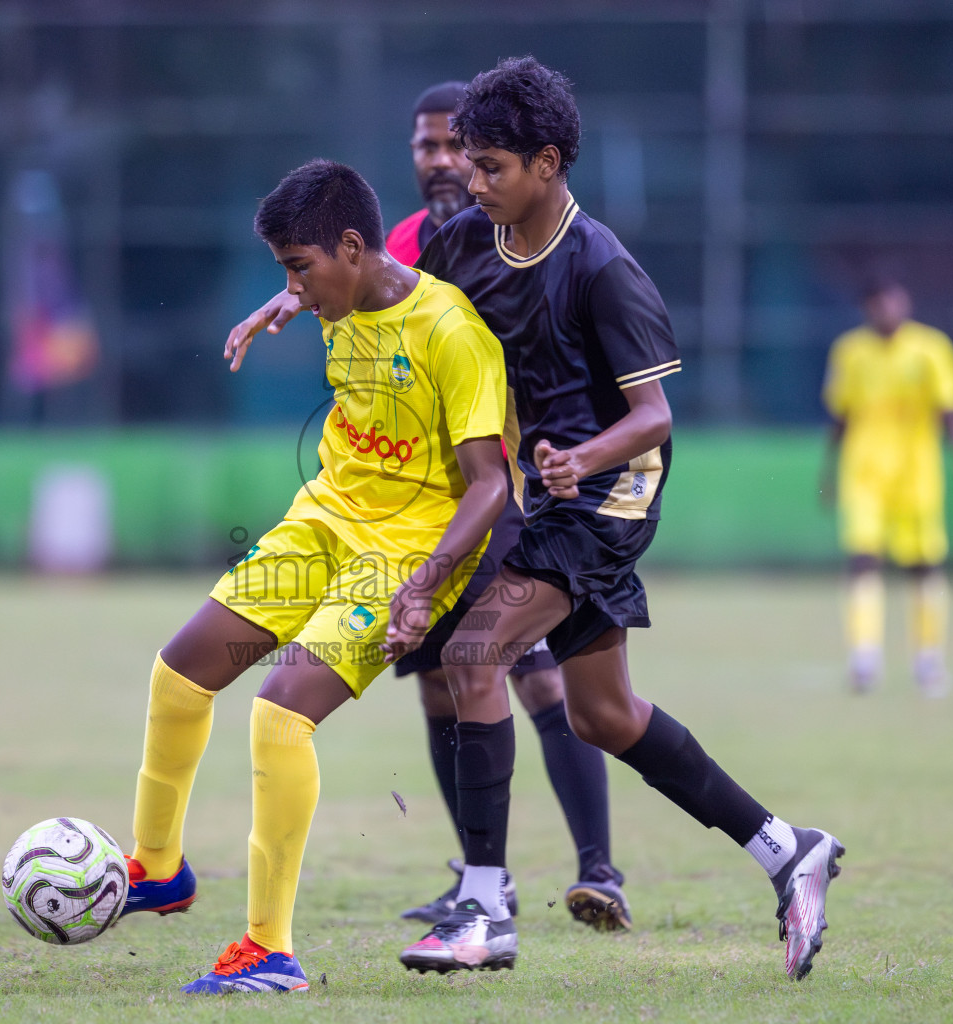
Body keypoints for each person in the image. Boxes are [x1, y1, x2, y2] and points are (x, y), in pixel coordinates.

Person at [226, 56, 843, 982]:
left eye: (490, 167)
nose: (468, 182)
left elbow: (653, 416)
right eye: (466, 163)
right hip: (542, 492)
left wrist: (577, 458)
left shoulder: (603, 268)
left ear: (548, 163)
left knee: (478, 650)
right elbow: (389, 287)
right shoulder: (468, 240)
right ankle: (784, 849)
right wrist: (296, 291)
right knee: (603, 714)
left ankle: (482, 907)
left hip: (611, 488)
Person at [121, 158, 509, 995]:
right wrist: (292, 296)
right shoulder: (333, 292)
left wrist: (423, 588)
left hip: (404, 553)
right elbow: (321, 289)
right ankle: (157, 868)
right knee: (180, 672)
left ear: (350, 245)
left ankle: (270, 951)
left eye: (299, 268)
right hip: (322, 520)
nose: (293, 286)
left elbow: (490, 485)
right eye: (282, 272)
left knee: (277, 717)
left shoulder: (449, 331)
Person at [389, 81, 629, 931]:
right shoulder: (408, 248)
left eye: (462, 149)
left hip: (515, 491)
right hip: (435, 501)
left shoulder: (531, 239)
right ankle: (481, 877)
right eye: (427, 146)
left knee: (527, 676)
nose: (444, 162)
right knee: (439, 691)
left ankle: (597, 866)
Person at [820, 277, 953, 697]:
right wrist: (828, 471)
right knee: (862, 562)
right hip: (865, 474)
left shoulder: (932, 348)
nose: (886, 310)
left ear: (904, 301)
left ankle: (928, 660)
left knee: (924, 566)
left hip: (917, 474)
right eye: (877, 303)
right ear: (867, 308)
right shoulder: (850, 351)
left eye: (892, 301)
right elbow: (841, 417)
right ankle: (864, 659)